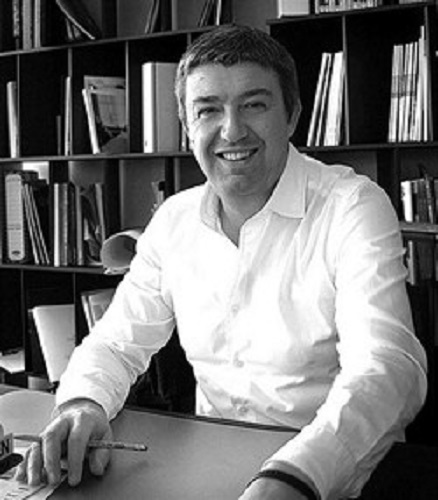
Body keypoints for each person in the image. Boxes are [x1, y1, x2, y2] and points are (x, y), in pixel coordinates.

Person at [16, 25, 427, 500]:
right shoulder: (174, 220)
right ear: (187, 125)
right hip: (212, 467)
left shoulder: (351, 205)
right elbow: (116, 343)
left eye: (254, 105)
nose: (231, 130)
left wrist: (294, 475)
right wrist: (83, 404)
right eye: (208, 109)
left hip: (335, 473)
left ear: (292, 115)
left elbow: (387, 365)